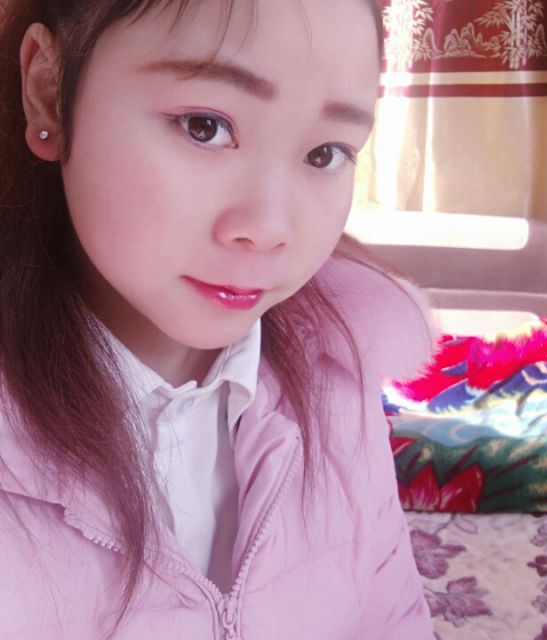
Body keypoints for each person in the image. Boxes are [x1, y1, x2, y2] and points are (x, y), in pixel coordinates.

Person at [0, 0, 436, 638]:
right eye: (205, 126)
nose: (269, 227)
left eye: (324, 154)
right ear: (48, 89)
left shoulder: (338, 381)